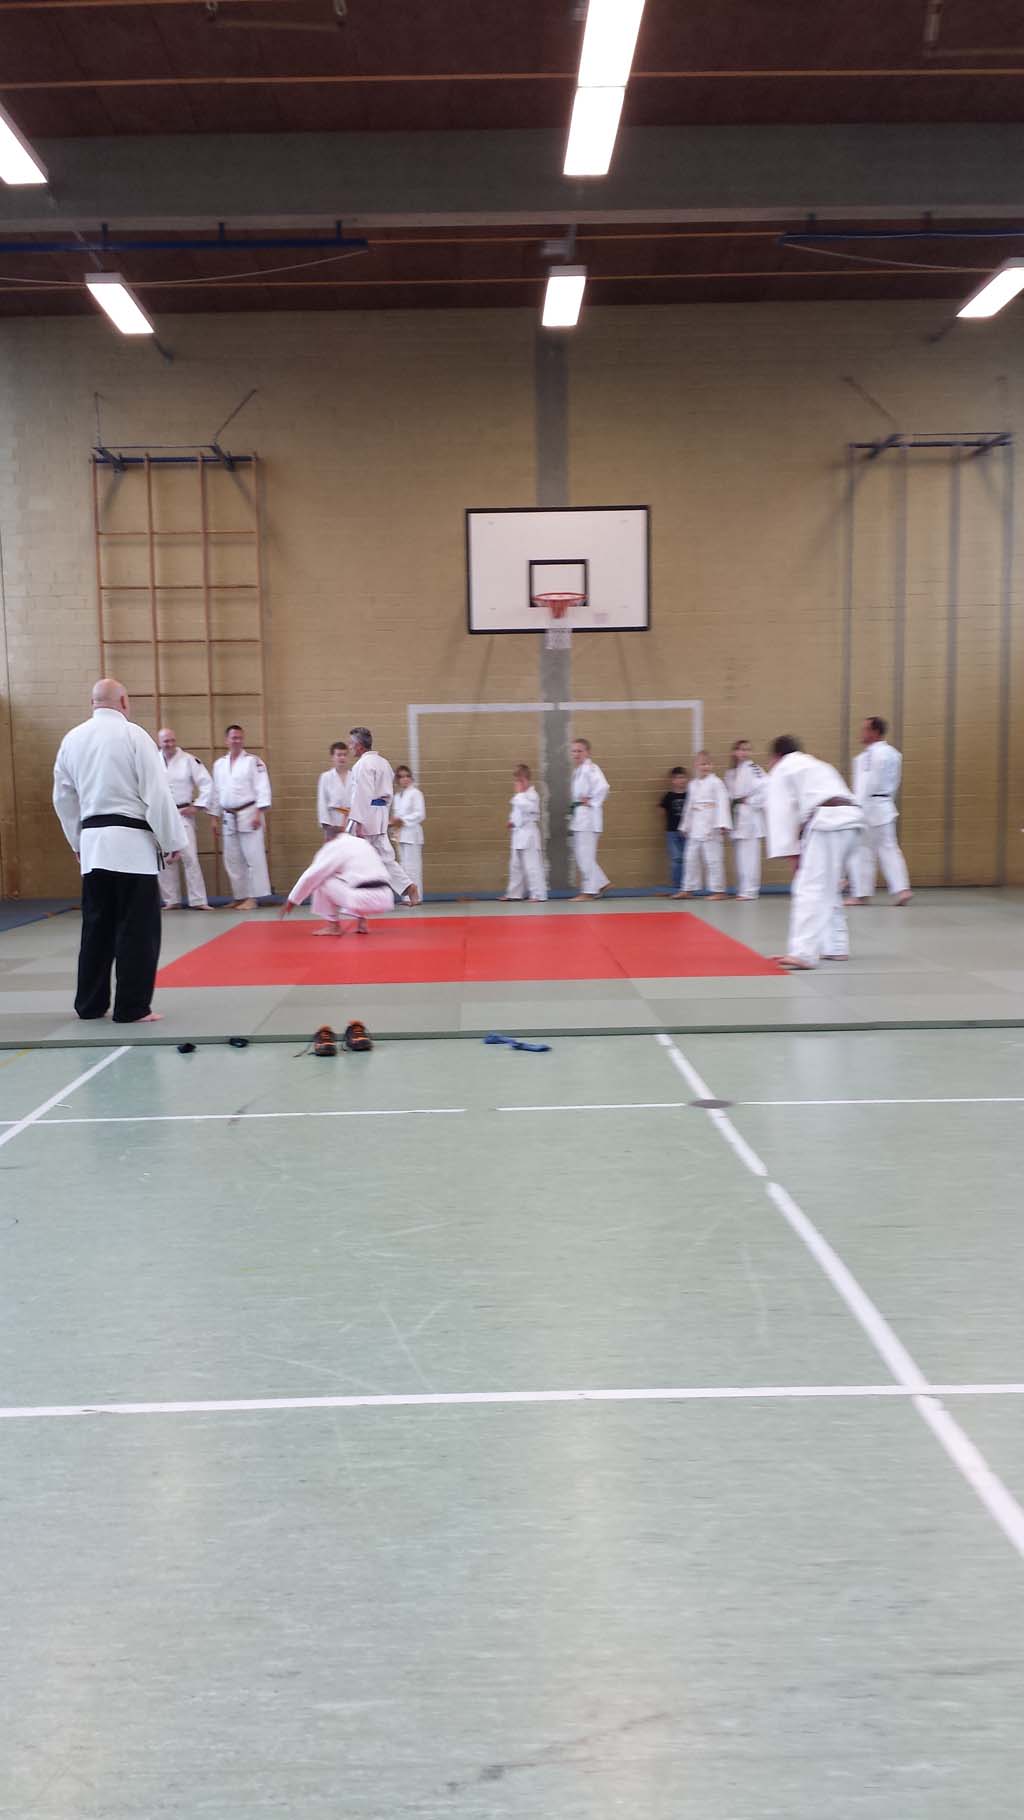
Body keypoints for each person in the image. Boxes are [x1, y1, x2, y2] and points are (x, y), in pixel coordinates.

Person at [52, 678, 187, 1024]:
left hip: (94, 845)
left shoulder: (72, 739)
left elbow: (63, 798)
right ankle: (132, 1007)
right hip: (132, 848)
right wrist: (172, 841)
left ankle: (90, 1005)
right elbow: (157, 794)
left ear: (92, 703)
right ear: (124, 701)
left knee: (96, 927)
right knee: (137, 929)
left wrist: (77, 841)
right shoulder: (134, 736)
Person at [765, 734, 865, 970]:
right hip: (854, 822)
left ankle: (803, 953)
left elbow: (781, 812)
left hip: (828, 822)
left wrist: (792, 854)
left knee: (809, 887)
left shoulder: (783, 768)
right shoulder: (817, 764)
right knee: (828, 886)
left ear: (776, 756)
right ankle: (836, 946)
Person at [346, 726, 420, 905]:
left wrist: (357, 821)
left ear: (359, 745)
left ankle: (354, 897)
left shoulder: (362, 765)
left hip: (365, 815)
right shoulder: (384, 763)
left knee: (353, 855)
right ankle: (408, 887)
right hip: (379, 813)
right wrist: (382, 815)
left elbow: (362, 795)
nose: (349, 747)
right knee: (385, 857)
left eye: (351, 743)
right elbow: (388, 794)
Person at [846, 716, 913, 907]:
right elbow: (895, 782)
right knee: (889, 848)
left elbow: (867, 783)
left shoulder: (869, 755)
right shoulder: (893, 754)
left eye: (865, 729)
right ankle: (902, 889)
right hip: (885, 805)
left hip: (868, 806)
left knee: (861, 850)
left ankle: (861, 894)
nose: (861, 733)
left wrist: (856, 807)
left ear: (875, 732)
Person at [279, 831, 393, 937]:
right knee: (353, 879)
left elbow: (311, 875)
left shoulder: (333, 846)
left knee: (322, 879)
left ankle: (333, 926)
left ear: (327, 839)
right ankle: (362, 923)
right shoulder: (362, 843)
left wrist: (292, 900)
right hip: (386, 897)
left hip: (361, 899)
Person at [210, 723, 272, 911]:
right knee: (233, 859)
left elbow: (263, 788)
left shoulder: (253, 762)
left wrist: (259, 813)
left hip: (249, 813)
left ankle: (253, 898)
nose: (237, 741)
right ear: (226, 740)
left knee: (253, 857)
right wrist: (214, 817)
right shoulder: (219, 764)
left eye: (239, 738)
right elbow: (216, 793)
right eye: (233, 738)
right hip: (228, 816)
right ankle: (239, 897)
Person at [157, 727, 214, 911]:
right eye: (166, 741)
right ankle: (171, 900)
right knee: (165, 858)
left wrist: (197, 806)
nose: (169, 744)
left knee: (190, 857)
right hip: (163, 815)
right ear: (159, 743)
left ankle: (198, 900)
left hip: (183, 812)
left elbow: (207, 783)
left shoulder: (189, 760)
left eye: (172, 740)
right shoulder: (153, 761)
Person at [677, 752, 731, 899]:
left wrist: (722, 824)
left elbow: (723, 803)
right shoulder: (693, 784)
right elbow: (689, 806)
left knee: (713, 860)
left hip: (711, 825)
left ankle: (719, 891)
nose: (705, 767)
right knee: (690, 858)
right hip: (695, 826)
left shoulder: (716, 783)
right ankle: (687, 889)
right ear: (696, 766)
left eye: (707, 764)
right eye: (702, 764)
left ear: (712, 765)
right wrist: (685, 826)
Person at [724, 739, 767, 900]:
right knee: (740, 858)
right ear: (734, 752)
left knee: (750, 857)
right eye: (741, 749)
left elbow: (766, 789)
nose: (744, 753)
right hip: (737, 816)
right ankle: (743, 889)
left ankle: (750, 891)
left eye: (747, 750)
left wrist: (751, 801)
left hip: (750, 816)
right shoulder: (731, 773)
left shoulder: (754, 768)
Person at [569, 737, 610, 901]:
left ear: (587, 752)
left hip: (588, 819)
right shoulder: (578, 771)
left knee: (585, 856)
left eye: (580, 751)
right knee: (582, 855)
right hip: (581, 817)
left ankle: (589, 891)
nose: (576, 754)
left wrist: (592, 801)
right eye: (574, 751)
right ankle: (601, 883)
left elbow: (604, 787)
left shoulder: (590, 768)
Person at [504, 763, 547, 902]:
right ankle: (514, 893)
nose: (517, 783)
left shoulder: (532, 795)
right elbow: (517, 812)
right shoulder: (521, 796)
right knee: (515, 866)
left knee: (532, 866)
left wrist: (518, 795)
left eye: (520, 780)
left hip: (529, 834)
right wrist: (512, 821)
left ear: (526, 779)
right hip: (518, 833)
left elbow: (528, 808)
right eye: (516, 780)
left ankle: (538, 894)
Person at [390, 765, 426, 900]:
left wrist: (402, 821)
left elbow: (420, 814)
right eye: (401, 777)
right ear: (397, 780)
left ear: (411, 778)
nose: (404, 779)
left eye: (407, 776)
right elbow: (396, 816)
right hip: (400, 835)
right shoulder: (397, 796)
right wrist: (394, 825)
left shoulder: (416, 793)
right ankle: (407, 898)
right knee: (403, 867)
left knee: (413, 867)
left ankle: (417, 897)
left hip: (412, 834)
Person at [659, 766, 689, 893]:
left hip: (686, 832)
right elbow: (661, 809)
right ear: (672, 780)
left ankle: (687, 884)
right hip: (672, 831)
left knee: (687, 858)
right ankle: (677, 885)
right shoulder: (669, 796)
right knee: (676, 857)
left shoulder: (689, 795)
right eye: (677, 778)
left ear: (686, 779)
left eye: (682, 777)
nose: (680, 780)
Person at [316, 740, 351, 841]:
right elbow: (322, 802)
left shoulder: (354, 776)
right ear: (332, 757)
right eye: (339, 755)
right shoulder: (326, 777)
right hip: (333, 822)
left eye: (345, 755)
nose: (342, 758)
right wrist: (327, 825)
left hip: (351, 822)